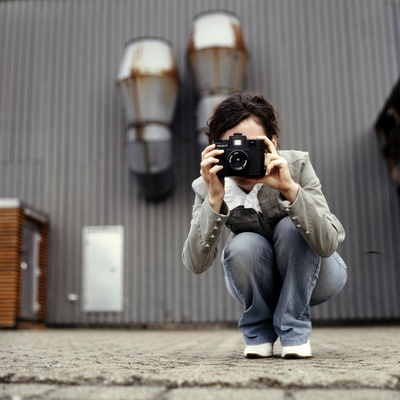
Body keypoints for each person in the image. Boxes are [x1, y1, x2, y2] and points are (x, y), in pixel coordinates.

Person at [182, 92, 347, 359]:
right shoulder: (209, 185)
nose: (241, 156)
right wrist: (214, 199)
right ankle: (258, 332)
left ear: (273, 143)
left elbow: (328, 244)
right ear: (214, 150)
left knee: (290, 229)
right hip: (260, 279)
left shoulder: (296, 165)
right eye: (232, 148)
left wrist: (289, 189)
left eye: (251, 146)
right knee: (244, 243)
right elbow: (195, 264)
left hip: (320, 276)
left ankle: (294, 332)